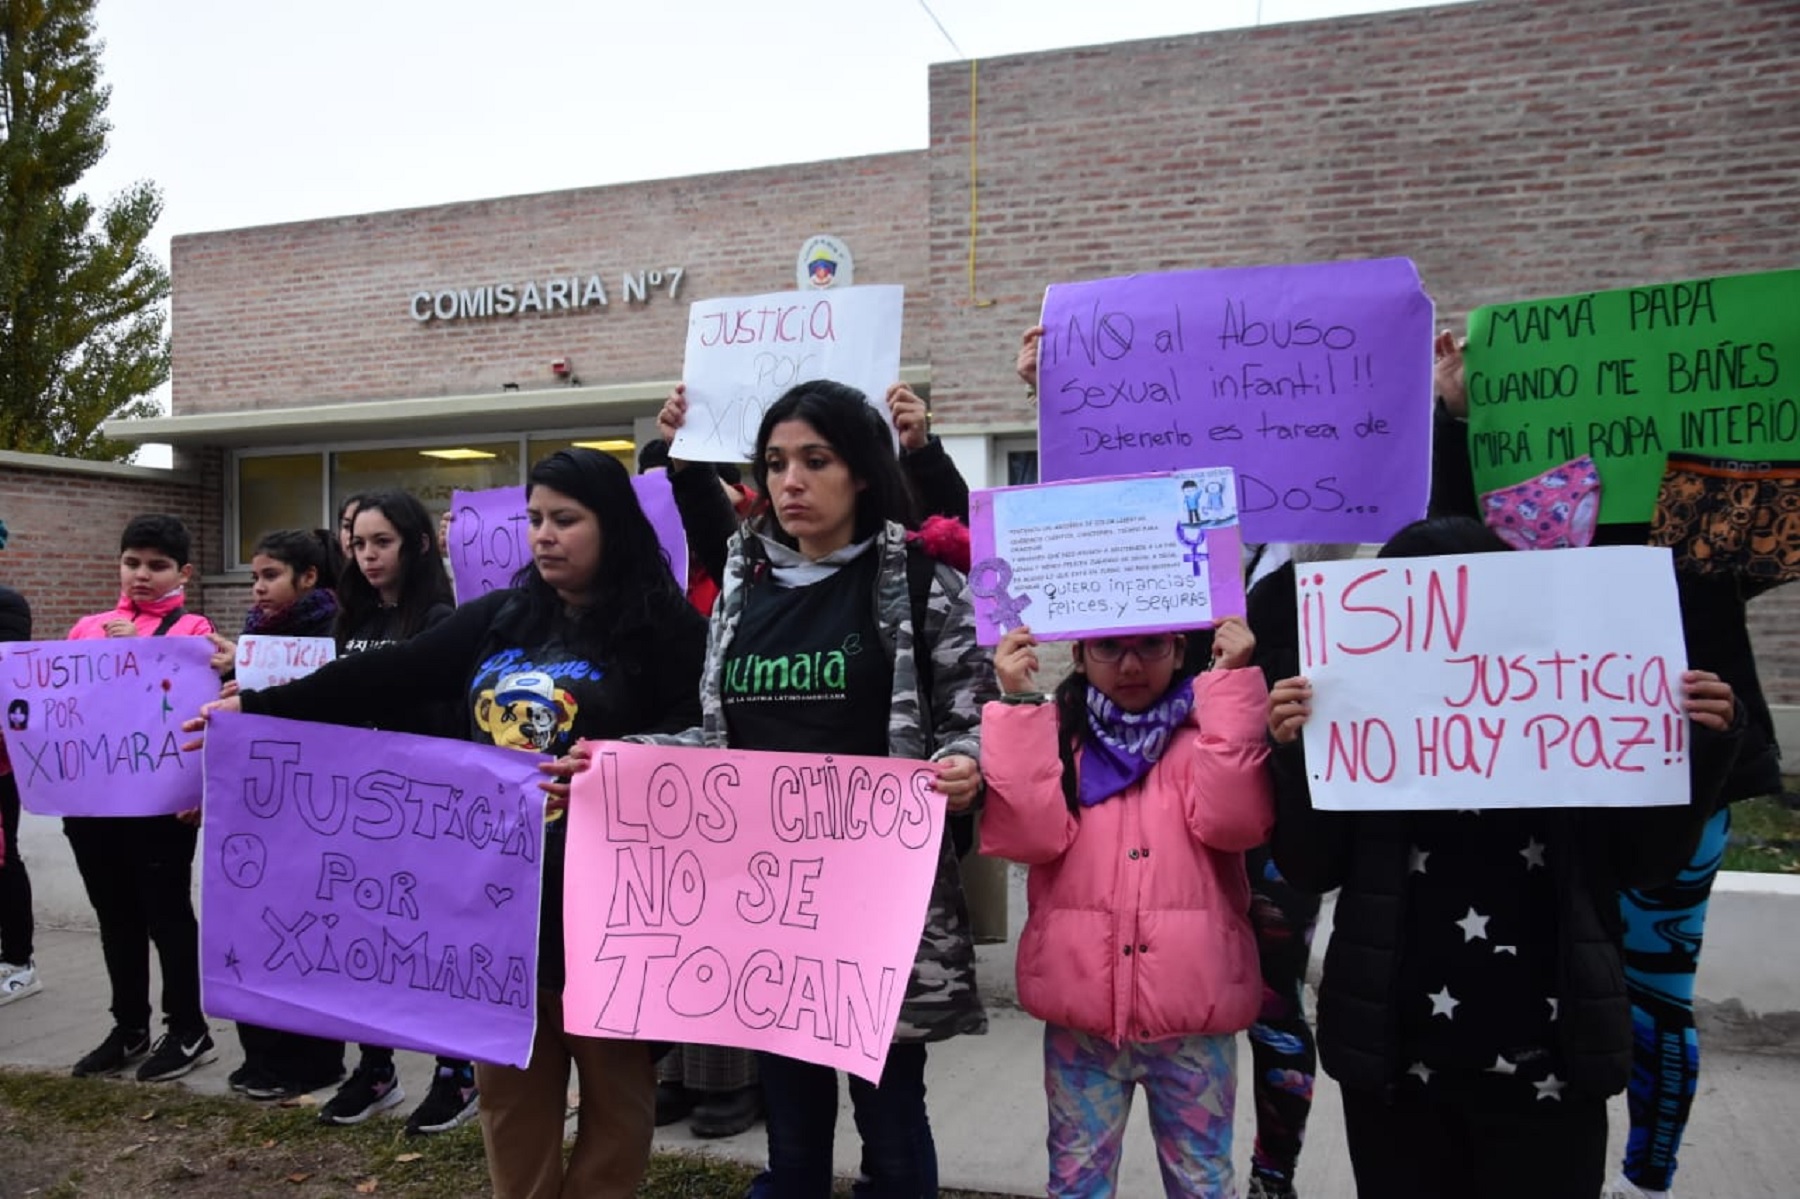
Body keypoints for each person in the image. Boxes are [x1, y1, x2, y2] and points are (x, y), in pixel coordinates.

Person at [197, 450, 706, 1198]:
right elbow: (390, 671)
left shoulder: (665, 626)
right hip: (495, 912)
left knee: (617, 1094)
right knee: (509, 1097)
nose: (545, 536)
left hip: (614, 910)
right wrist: (259, 708)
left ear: (615, 526)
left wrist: (626, 759)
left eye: (566, 519)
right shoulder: (502, 614)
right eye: (535, 519)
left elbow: (701, 733)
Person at [1265, 516, 1743, 1199]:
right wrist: (1293, 755)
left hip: (1553, 1062)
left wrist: (1702, 747)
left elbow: (1647, 864)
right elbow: (1312, 868)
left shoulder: (1574, 721)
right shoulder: (1366, 741)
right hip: (1398, 1062)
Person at [1433, 335, 1784, 1199]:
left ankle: (1646, 1180)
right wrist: (1452, 413)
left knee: (1659, 994)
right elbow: (1433, 553)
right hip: (1540, 778)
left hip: (1681, 769)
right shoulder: (1508, 510)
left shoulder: (1690, 505)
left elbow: (1757, 554)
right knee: (1561, 982)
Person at [642, 379, 995, 1197]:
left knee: (892, 1120)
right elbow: (713, 739)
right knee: (792, 1130)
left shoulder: (922, 584)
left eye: (815, 459)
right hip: (766, 903)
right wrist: (624, 758)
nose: (789, 481)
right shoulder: (742, 589)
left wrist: (968, 766)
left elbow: (976, 716)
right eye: (774, 463)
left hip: (875, 906)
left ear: (862, 472)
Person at [978, 618, 1272, 1198]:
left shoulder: (1210, 738)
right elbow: (1026, 839)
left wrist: (1232, 687)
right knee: (1076, 1184)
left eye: (1151, 647)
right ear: (1082, 655)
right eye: (1110, 647)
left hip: (1193, 1022)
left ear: (1180, 649)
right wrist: (1015, 704)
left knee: (1204, 1185)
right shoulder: (1056, 744)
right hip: (1082, 1024)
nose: (1131, 666)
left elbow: (1237, 824)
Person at [305, 490, 483, 1135]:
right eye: (358, 543)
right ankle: (373, 1070)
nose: (369, 555)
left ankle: (456, 1073)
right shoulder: (348, 620)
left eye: (383, 542)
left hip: (424, 811)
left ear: (415, 544)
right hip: (354, 810)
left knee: (432, 943)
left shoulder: (439, 618)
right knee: (361, 941)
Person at [65, 514, 218, 1081]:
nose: (142, 576)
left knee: (167, 915)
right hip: (92, 803)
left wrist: (142, 656)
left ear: (183, 571)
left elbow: (186, 701)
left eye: (157, 566)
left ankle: (188, 1029)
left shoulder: (193, 630)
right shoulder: (88, 628)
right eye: (133, 563)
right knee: (115, 916)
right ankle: (129, 1026)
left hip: (159, 805)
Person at [207, 529, 349, 1100]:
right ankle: (261, 1055)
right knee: (255, 929)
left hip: (312, 804)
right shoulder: (254, 634)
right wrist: (230, 677)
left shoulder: (334, 632)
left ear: (308, 577)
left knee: (304, 934)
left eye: (269, 576)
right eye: (254, 577)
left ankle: (313, 1060)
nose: (258, 589)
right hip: (255, 803)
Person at [0, 527, 38, 1007]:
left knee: (3, 858)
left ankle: (20, 963)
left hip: (1, 765)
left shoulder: (7, 606)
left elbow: (5, 674)